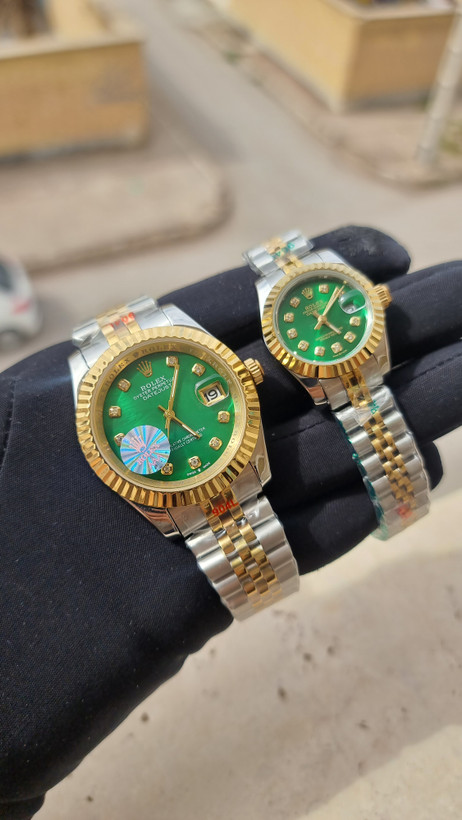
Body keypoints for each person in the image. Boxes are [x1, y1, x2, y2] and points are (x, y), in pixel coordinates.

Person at [1, 225, 461, 820]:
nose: (170, 414)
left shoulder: (228, 386)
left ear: (244, 376)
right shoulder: (114, 429)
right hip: (169, 472)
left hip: (211, 452)